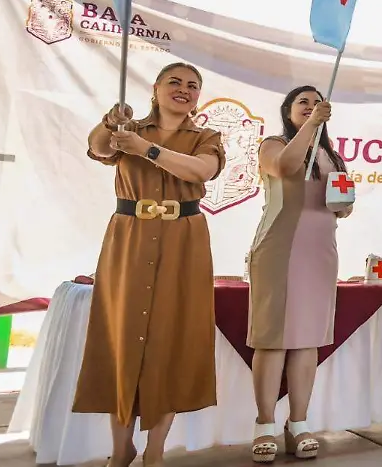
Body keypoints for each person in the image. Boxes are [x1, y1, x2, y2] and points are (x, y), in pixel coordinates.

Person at [76, 62, 225, 467]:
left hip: (184, 241)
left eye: (193, 86)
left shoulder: (206, 136)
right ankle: (121, 447)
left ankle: (154, 453)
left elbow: (201, 170)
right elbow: (100, 148)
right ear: (155, 87)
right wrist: (112, 123)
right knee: (122, 337)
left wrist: (147, 150)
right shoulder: (129, 130)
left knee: (172, 339)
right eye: (174, 82)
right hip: (130, 237)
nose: (184, 89)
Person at [247, 86, 351, 462]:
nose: (310, 106)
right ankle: (264, 425)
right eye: (302, 102)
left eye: (316, 101)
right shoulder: (274, 144)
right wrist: (312, 126)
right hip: (279, 246)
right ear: (288, 110)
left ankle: (299, 423)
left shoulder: (331, 155)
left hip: (321, 250)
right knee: (273, 336)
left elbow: (342, 206)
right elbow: (286, 167)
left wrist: (344, 201)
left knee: (308, 337)